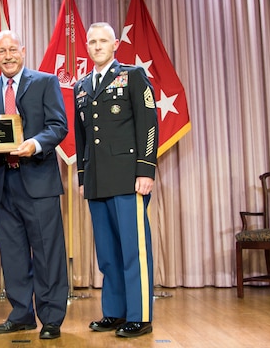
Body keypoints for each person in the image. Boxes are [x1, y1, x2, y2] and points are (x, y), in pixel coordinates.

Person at [0, 30, 69, 340]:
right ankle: (21, 314)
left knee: (47, 253)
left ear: (23, 51)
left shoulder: (45, 82)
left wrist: (34, 144)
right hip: (4, 183)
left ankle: (51, 317)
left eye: (12, 49)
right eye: (1, 51)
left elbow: (58, 126)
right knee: (13, 255)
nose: (8, 55)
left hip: (38, 180)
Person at [73, 22, 158, 338]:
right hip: (96, 180)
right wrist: (83, 176)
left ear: (115, 45)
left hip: (128, 179)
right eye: (92, 41)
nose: (96, 46)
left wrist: (145, 170)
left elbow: (149, 124)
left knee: (133, 250)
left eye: (102, 41)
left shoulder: (133, 76)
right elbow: (82, 137)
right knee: (107, 253)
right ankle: (115, 312)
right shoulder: (82, 86)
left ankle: (139, 315)